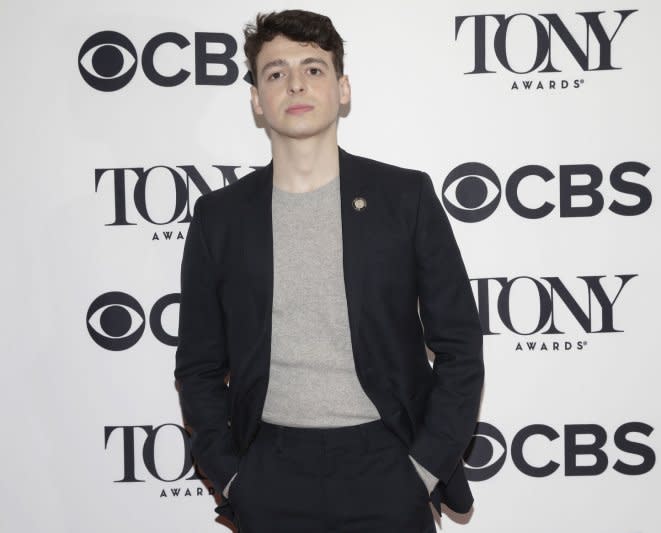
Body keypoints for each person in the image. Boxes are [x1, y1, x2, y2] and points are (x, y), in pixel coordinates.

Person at [174, 9, 483, 532]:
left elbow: (459, 346)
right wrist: (231, 478)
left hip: (389, 465)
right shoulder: (219, 218)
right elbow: (198, 368)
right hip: (268, 470)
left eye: (313, 68)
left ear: (343, 89)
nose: (295, 82)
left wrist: (424, 469)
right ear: (256, 99)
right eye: (275, 73)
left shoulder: (405, 199)